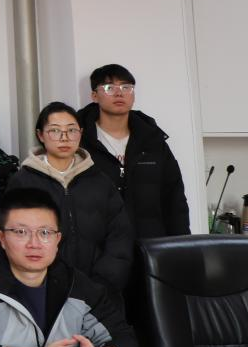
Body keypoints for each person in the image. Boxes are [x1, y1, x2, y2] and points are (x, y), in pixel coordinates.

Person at [0, 188, 139, 347]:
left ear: (58, 239)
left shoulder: (77, 284)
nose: (34, 243)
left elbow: (127, 343)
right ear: (2, 238)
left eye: (45, 232)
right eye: (21, 232)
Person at [5, 102, 134, 291]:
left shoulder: (99, 180)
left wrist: (103, 282)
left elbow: (120, 235)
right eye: (55, 131)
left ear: (80, 133)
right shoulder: (23, 181)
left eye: (71, 130)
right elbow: (15, 238)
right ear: (40, 135)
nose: (64, 138)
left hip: (100, 289)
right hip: (43, 288)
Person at [77, 64, 191, 238]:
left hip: (149, 245)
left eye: (126, 87)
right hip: (99, 245)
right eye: (109, 88)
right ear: (94, 96)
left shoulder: (152, 140)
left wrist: (181, 244)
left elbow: (174, 198)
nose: (119, 93)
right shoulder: (79, 140)